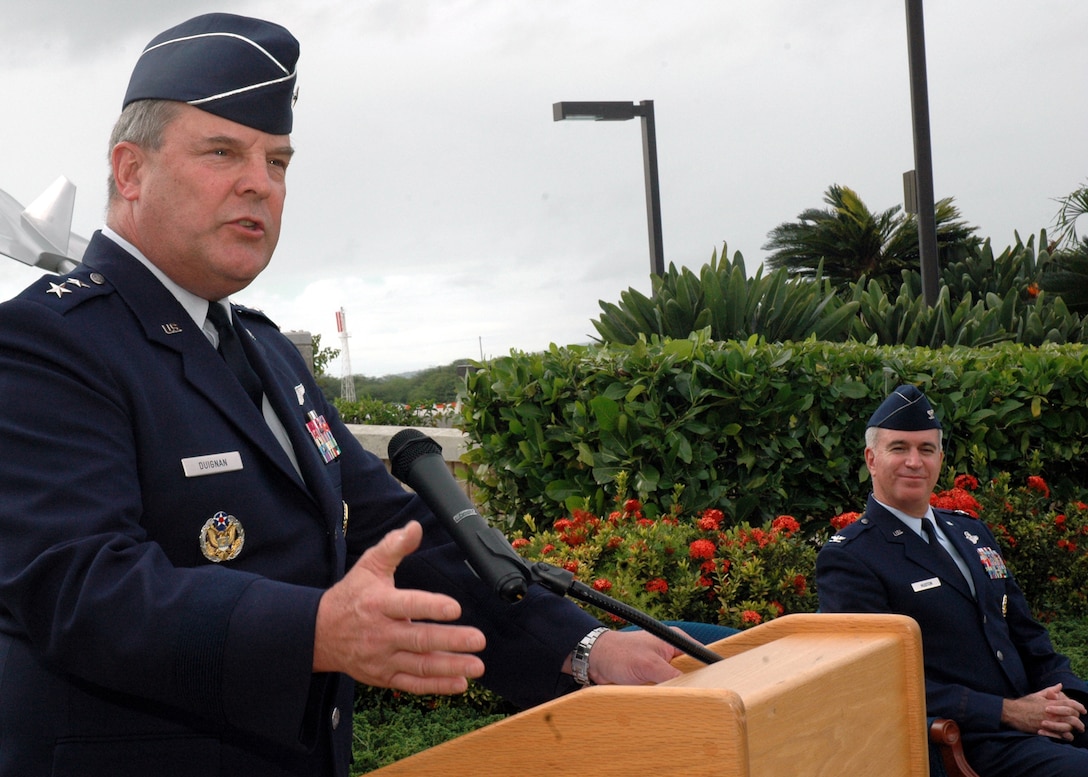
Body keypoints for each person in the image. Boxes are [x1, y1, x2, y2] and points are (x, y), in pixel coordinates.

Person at [0, 13, 685, 777]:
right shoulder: (46, 342)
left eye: (278, 160)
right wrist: (314, 630)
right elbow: (81, 588)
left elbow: (398, 532)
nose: (259, 181)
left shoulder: (263, 350)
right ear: (130, 171)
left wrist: (582, 648)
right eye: (223, 152)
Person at [816, 384, 1088, 776]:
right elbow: (875, 685)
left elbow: (1026, 634)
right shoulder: (851, 558)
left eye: (926, 449)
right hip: (972, 736)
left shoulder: (969, 532)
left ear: (940, 459)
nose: (914, 461)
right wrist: (1008, 712)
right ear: (871, 459)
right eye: (899, 448)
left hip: (1036, 711)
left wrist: (1068, 696)